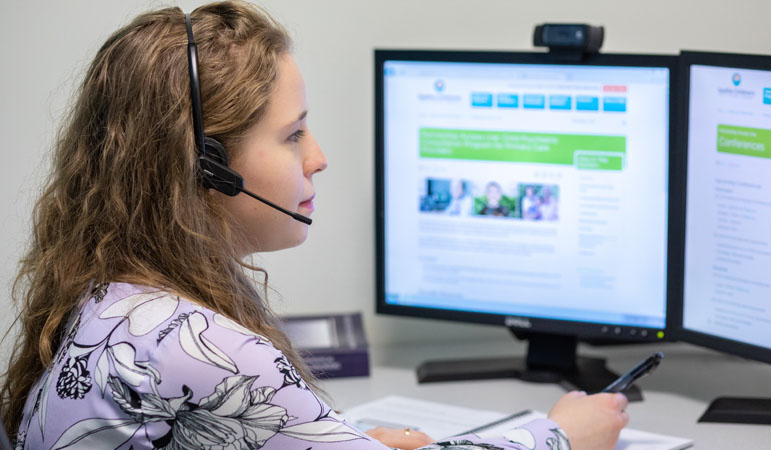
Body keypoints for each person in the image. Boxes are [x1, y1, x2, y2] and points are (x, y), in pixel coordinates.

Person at [0, 2, 628, 449]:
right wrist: (563, 434)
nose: (317, 157)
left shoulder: (110, 293)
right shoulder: (201, 344)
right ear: (207, 166)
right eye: (293, 133)